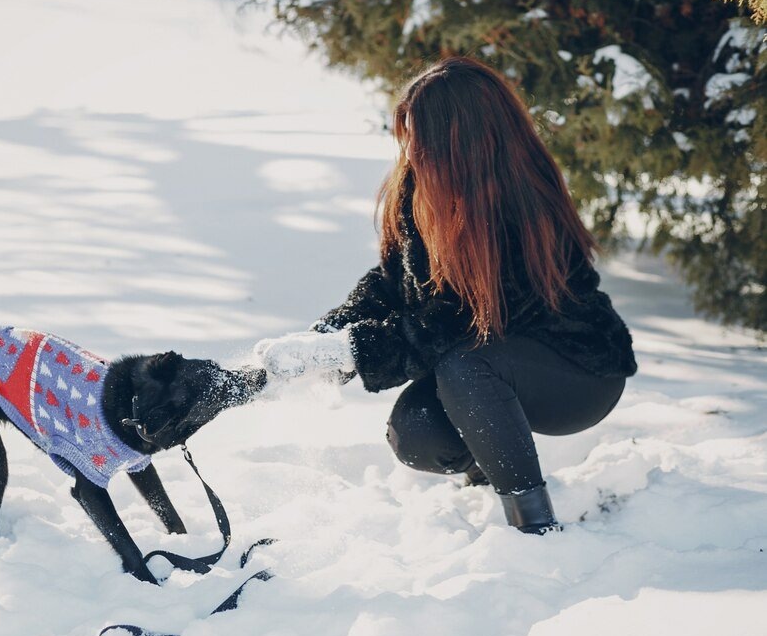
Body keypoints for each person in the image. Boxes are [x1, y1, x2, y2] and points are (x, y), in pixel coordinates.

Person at [254, 56, 637, 535]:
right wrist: (318, 342)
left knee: (465, 365)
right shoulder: (420, 188)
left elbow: (457, 322)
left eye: (422, 136)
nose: (410, 150)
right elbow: (392, 284)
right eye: (407, 133)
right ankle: (490, 477)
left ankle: (534, 526)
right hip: (491, 363)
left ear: (464, 139)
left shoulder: (521, 204)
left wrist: (348, 351)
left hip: (576, 375)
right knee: (414, 430)